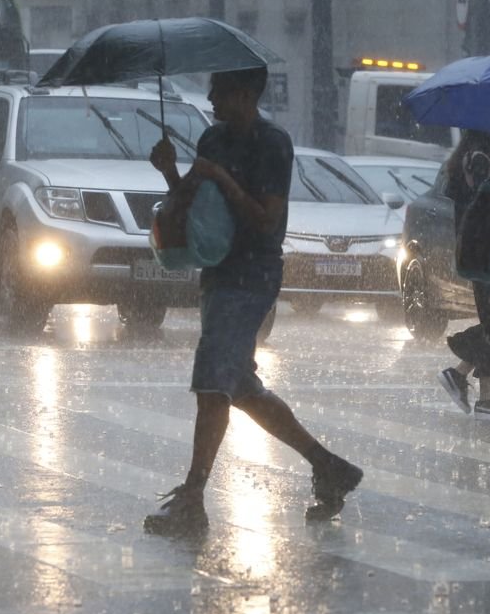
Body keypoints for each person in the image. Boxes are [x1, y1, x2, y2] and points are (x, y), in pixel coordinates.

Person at [143, 66, 364, 536]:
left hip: (253, 275)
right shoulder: (211, 140)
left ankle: (193, 496)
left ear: (245, 95)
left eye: (219, 92)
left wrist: (221, 177)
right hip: (218, 272)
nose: (212, 100)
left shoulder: (272, 144)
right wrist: (171, 174)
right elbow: (191, 206)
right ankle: (328, 466)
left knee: (212, 385)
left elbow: (265, 219)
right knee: (238, 386)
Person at [437, 130, 490, 418]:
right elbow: (488, 205)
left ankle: (473, 387)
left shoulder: (470, 159)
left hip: (479, 253)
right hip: (487, 254)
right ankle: (477, 392)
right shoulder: (480, 161)